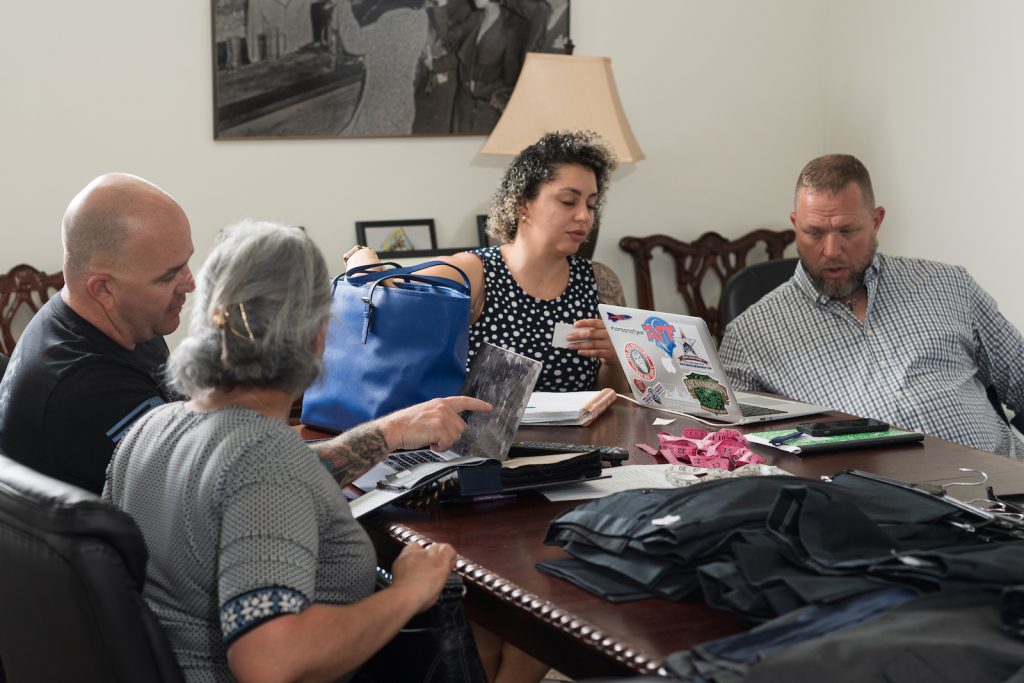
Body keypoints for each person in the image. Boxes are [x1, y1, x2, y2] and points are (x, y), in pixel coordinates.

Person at [103, 221, 491, 682]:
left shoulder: (151, 428)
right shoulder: (265, 459)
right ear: (318, 335)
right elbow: (269, 662)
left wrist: (391, 431)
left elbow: (245, 483)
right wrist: (407, 592)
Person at [719, 154, 1024, 457]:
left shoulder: (949, 284)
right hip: (872, 488)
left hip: (1005, 479)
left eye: (847, 231)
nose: (831, 250)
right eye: (814, 233)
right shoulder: (750, 336)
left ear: (876, 221)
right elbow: (726, 447)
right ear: (795, 225)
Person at [347, 129, 628, 395]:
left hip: (586, 432)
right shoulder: (474, 271)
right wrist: (361, 255)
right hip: (488, 432)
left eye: (591, 205)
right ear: (523, 203)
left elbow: (615, 398)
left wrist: (614, 360)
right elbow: (384, 294)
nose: (584, 216)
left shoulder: (600, 281)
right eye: (568, 201)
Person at [0, 173, 195, 493]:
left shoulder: (124, 321)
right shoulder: (88, 388)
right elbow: (195, 492)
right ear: (103, 289)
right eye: (167, 276)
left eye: (185, 262)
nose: (190, 284)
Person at [335, 0, 430, 136]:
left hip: (381, 104)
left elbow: (353, 42)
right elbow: (396, 49)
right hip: (404, 101)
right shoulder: (421, 17)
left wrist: (342, 5)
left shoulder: (393, 20)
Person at [448, 0, 529, 133]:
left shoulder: (511, 28)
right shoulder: (475, 17)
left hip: (487, 108)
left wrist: (482, 90)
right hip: (463, 102)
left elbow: (510, 79)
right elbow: (454, 44)